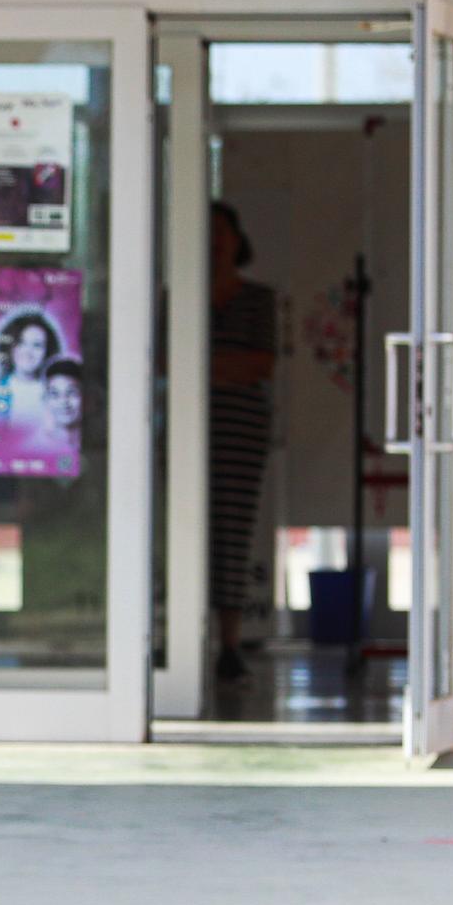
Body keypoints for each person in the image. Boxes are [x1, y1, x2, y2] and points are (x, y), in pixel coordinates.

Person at [207, 201, 278, 683]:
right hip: (190, 428)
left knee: (233, 530)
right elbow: (168, 361)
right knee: (187, 530)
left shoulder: (258, 298)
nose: (213, 243)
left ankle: (228, 644)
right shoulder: (180, 296)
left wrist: (206, 366)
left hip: (241, 430)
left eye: (221, 233)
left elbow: (260, 363)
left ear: (237, 239)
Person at [0, 308, 63, 433]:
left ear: (48, 351)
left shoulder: (58, 395)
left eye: (37, 345)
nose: (28, 352)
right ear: (9, 347)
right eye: (21, 342)